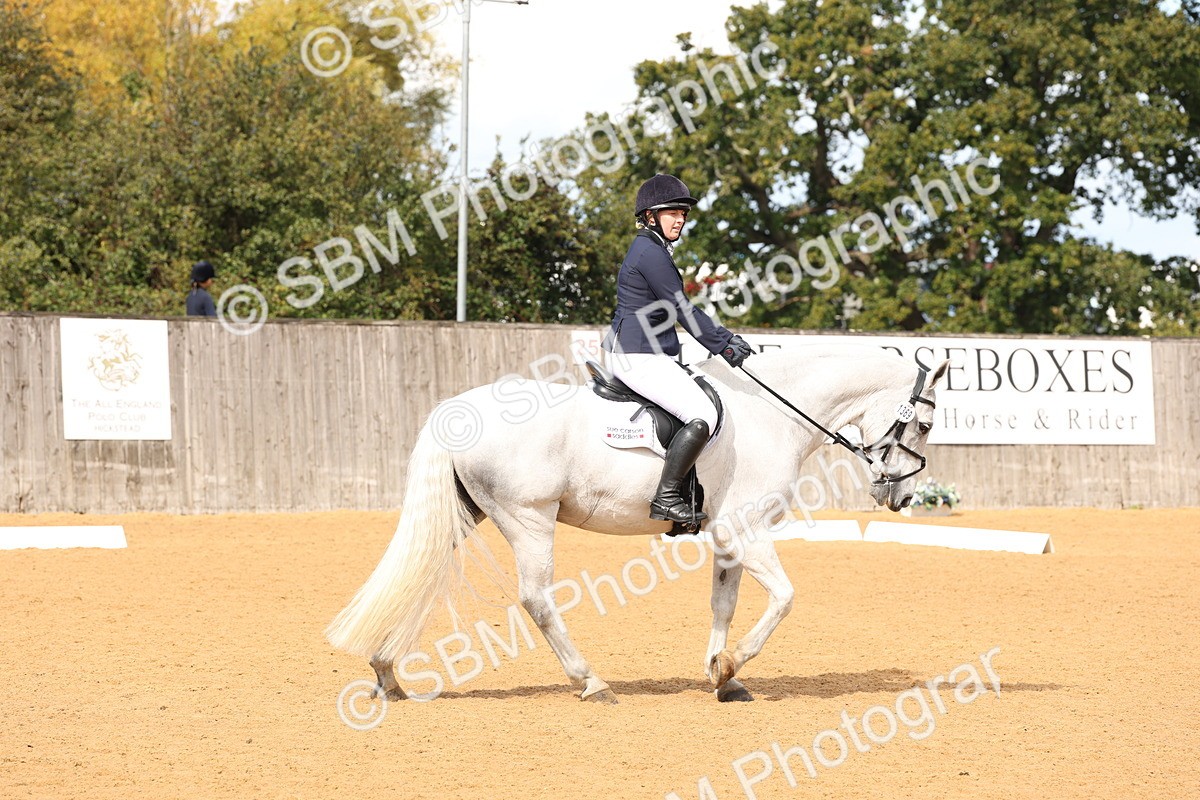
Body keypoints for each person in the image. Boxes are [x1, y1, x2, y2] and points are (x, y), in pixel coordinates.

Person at [601, 173, 754, 524]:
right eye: (672, 212)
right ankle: (666, 497)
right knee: (703, 415)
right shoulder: (649, 253)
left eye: (683, 213)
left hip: (647, 351)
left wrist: (724, 339)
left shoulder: (652, 249)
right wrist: (724, 344)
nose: (680, 219)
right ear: (650, 216)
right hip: (637, 355)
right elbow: (681, 308)